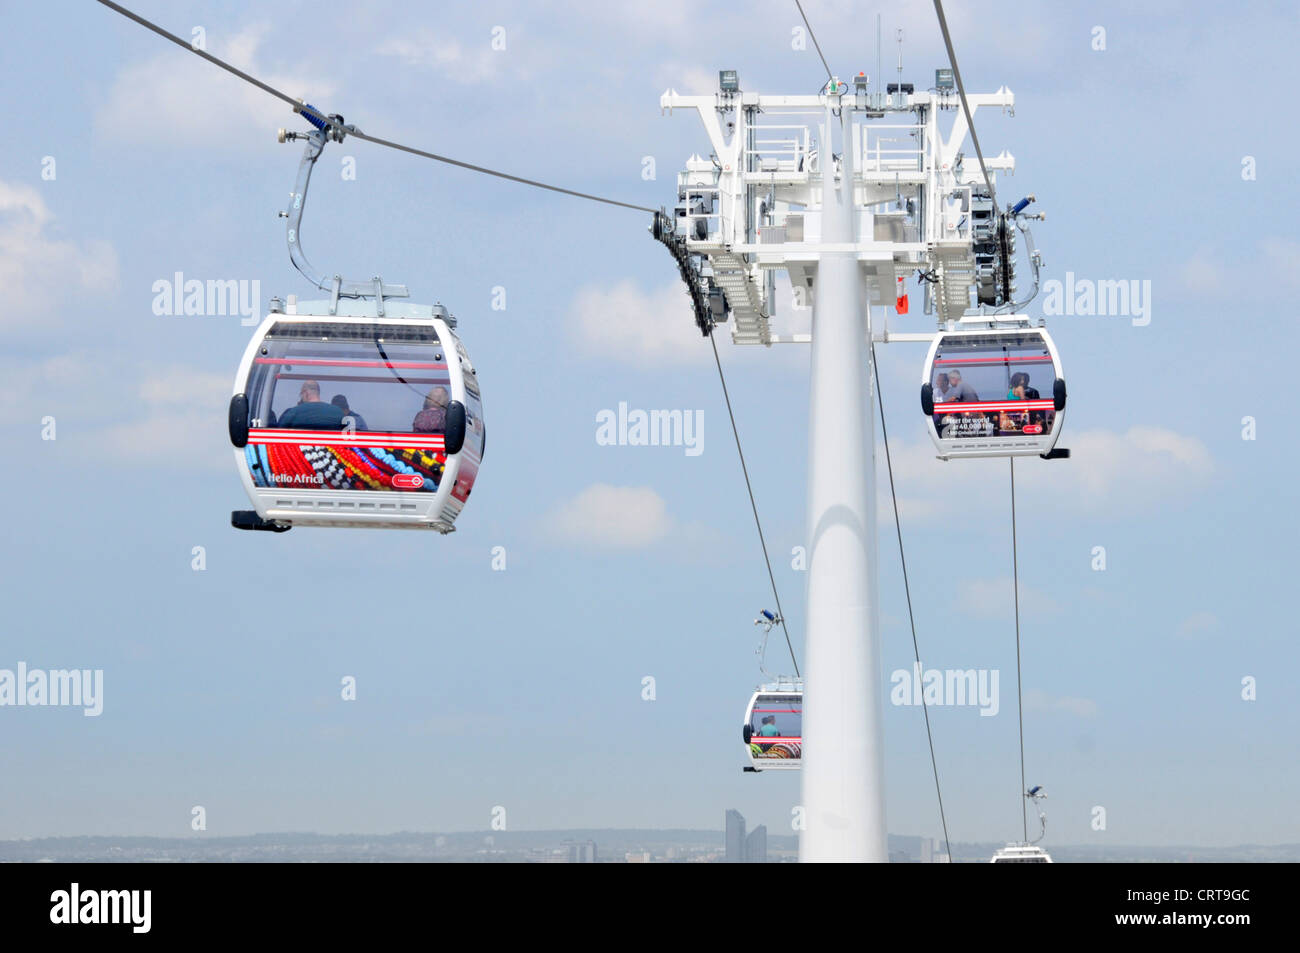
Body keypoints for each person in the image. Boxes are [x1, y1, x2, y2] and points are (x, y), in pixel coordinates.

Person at [277, 380, 346, 429]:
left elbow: (279, 434)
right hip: (332, 449)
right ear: (318, 392)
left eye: (301, 394)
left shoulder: (293, 412)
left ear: (306, 393)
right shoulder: (338, 412)